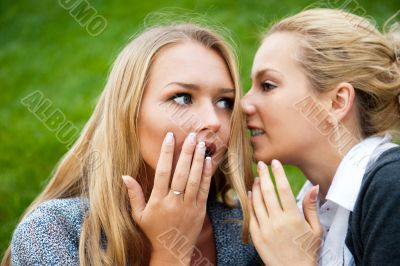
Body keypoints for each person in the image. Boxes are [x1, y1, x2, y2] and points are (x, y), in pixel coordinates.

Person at [2, 23, 262, 265]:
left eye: (225, 102)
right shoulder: (53, 231)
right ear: (127, 113)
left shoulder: (245, 231)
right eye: (182, 98)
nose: (213, 121)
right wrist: (170, 252)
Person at [242, 8, 400, 266]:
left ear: (337, 102)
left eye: (268, 85)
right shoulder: (291, 223)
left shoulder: (392, 187)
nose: (244, 104)